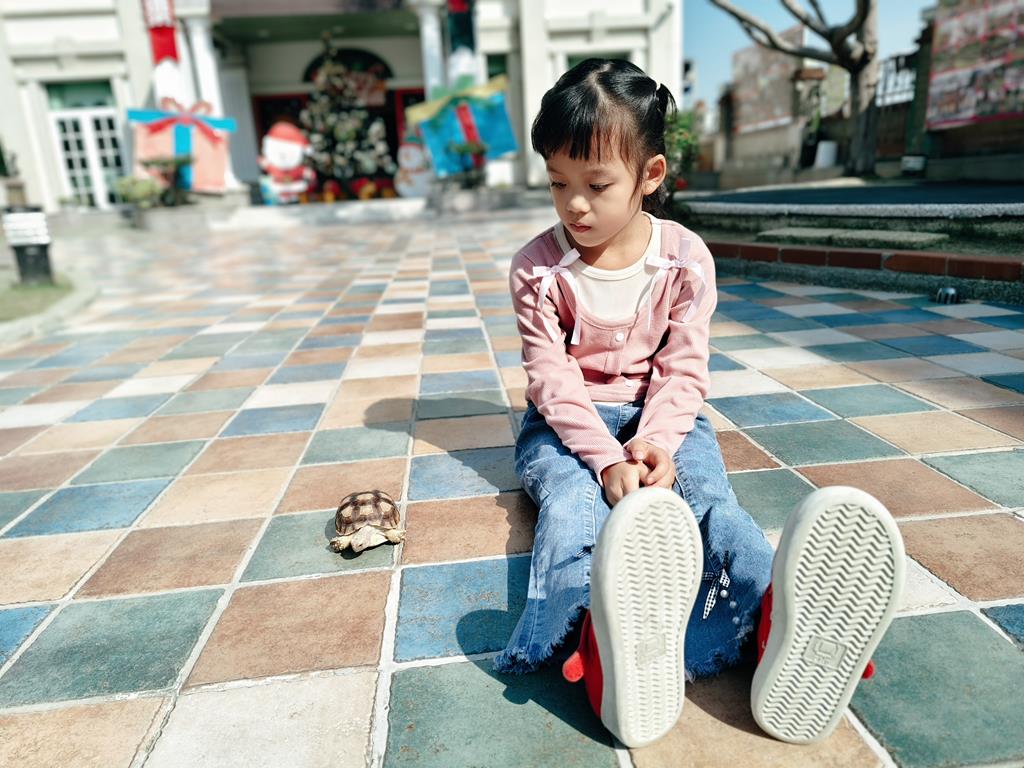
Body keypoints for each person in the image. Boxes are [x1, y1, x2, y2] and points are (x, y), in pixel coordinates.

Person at [493, 57, 905, 749]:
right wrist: (604, 461)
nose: (574, 205)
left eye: (596, 184)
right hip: (566, 428)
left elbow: (683, 369)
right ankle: (596, 637)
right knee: (574, 512)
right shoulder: (538, 268)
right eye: (558, 182)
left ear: (650, 175)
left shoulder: (685, 259)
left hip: (665, 418)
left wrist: (654, 443)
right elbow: (552, 379)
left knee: (712, 505)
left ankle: (770, 619)